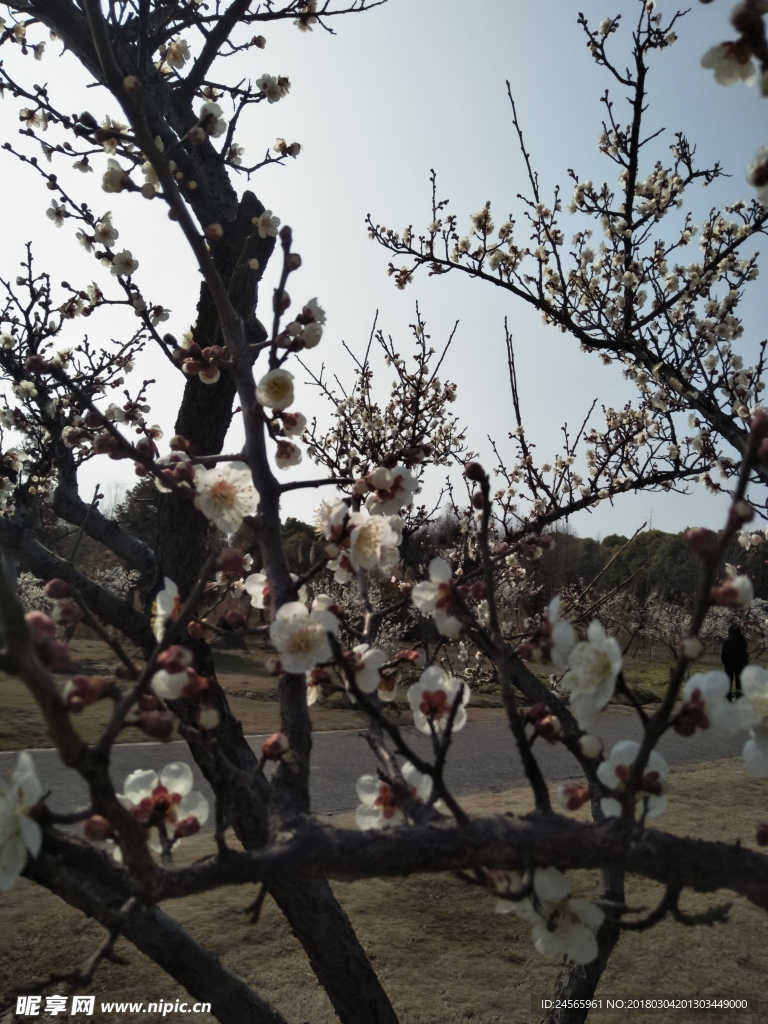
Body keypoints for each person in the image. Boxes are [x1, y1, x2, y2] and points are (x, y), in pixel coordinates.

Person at [721, 622, 749, 700]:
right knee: (739, 684)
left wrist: (724, 662)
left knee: (728, 683)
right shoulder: (743, 640)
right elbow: (745, 653)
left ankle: (728, 699)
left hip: (729, 665)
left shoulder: (728, 640)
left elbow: (724, 654)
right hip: (741, 665)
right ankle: (739, 700)